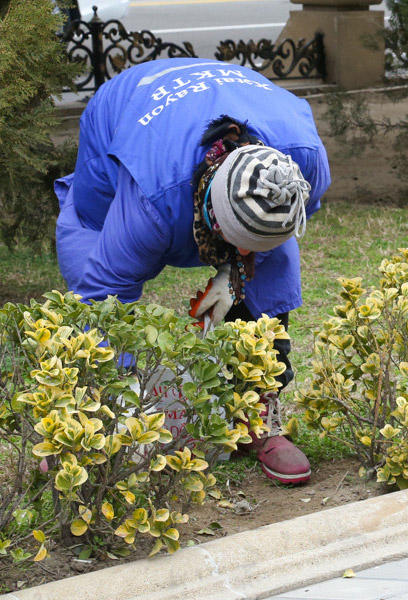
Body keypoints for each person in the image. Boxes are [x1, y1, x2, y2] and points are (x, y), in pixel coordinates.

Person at [54, 58, 331, 485]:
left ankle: (257, 415)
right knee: (94, 252)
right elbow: (102, 293)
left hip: (236, 104)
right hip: (126, 108)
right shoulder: (153, 200)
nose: (242, 255)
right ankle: (94, 424)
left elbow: (278, 233)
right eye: (236, 242)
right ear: (210, 216)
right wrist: (115, 396)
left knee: (276, 266)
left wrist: (236, 273)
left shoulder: (304, 163)